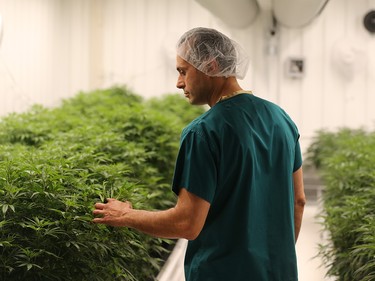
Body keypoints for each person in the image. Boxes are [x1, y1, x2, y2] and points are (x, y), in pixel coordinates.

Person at [93, 27, 306, 281]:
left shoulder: (204, 132)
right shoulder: (282, 120)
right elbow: (299, 201)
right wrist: (274, 256)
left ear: (211, 65)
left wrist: (126, 215)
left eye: (183, 71)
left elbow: (186, 224)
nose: (179, 83)